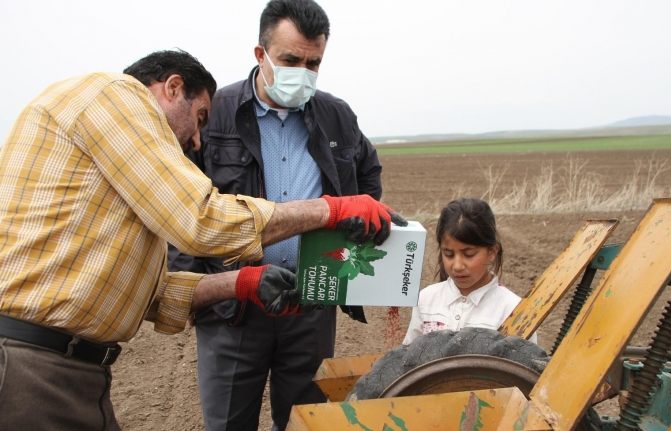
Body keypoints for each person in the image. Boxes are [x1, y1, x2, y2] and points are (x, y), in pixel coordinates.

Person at [0, 49, 404, 430]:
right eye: (200, 117)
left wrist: (242, 283)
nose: (197, 140)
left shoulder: (121, 185)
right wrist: (329, 210)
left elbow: (149, 296)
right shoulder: (115, 95)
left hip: (73, 369)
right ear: (173, 87)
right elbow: (201, 220)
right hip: (33, 364)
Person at [167, 1, 384, 429]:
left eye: (313, 62)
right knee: (229, 421)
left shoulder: (337, 116)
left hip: (310, 303)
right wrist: (197, 292)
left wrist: (354, 241)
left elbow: (367, 176)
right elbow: (180, 205)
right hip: (234, 308)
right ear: (260, 55)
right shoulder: (217, 113)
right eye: (290, 60)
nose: (302, 72)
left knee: (306, 421)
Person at [402, 198, 537, 345]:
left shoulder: (512, 310)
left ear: (492, 252)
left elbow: (523, 366)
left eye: (469, 254)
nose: (457, 266)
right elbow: (409, 358)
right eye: (448, 254)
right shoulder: (426, 299)